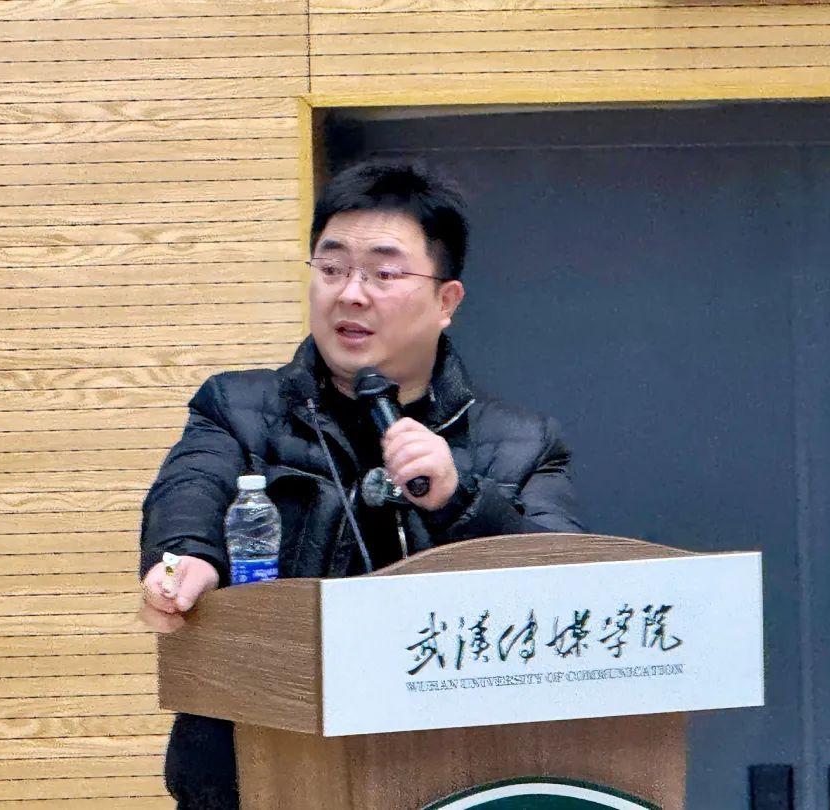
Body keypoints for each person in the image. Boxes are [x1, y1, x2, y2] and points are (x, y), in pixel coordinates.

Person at [139, 159, 583, 809]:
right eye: (332, 267)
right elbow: (191, 489)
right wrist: (185, 560)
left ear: (446, 301)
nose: (351, 293)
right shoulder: (236, 407)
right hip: (257, 777)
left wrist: (460, 499)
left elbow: (566, 589)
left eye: (383, 273)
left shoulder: (521, 443)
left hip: (449, 780)